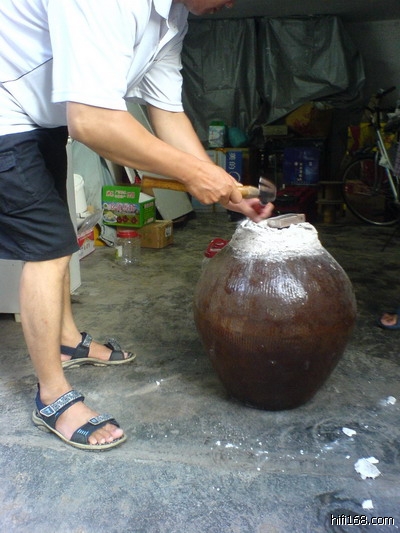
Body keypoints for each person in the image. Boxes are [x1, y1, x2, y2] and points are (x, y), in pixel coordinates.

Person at [0, 0, 274, 451]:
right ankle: (52, 396)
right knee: (48, 249)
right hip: (7, 112)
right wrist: (192, 174)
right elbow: (91, 121)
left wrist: (220, 182)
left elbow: (166, 110)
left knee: (60, 234)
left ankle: (67, 341)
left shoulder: (172, 17)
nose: (233, 3)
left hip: (39, 116)